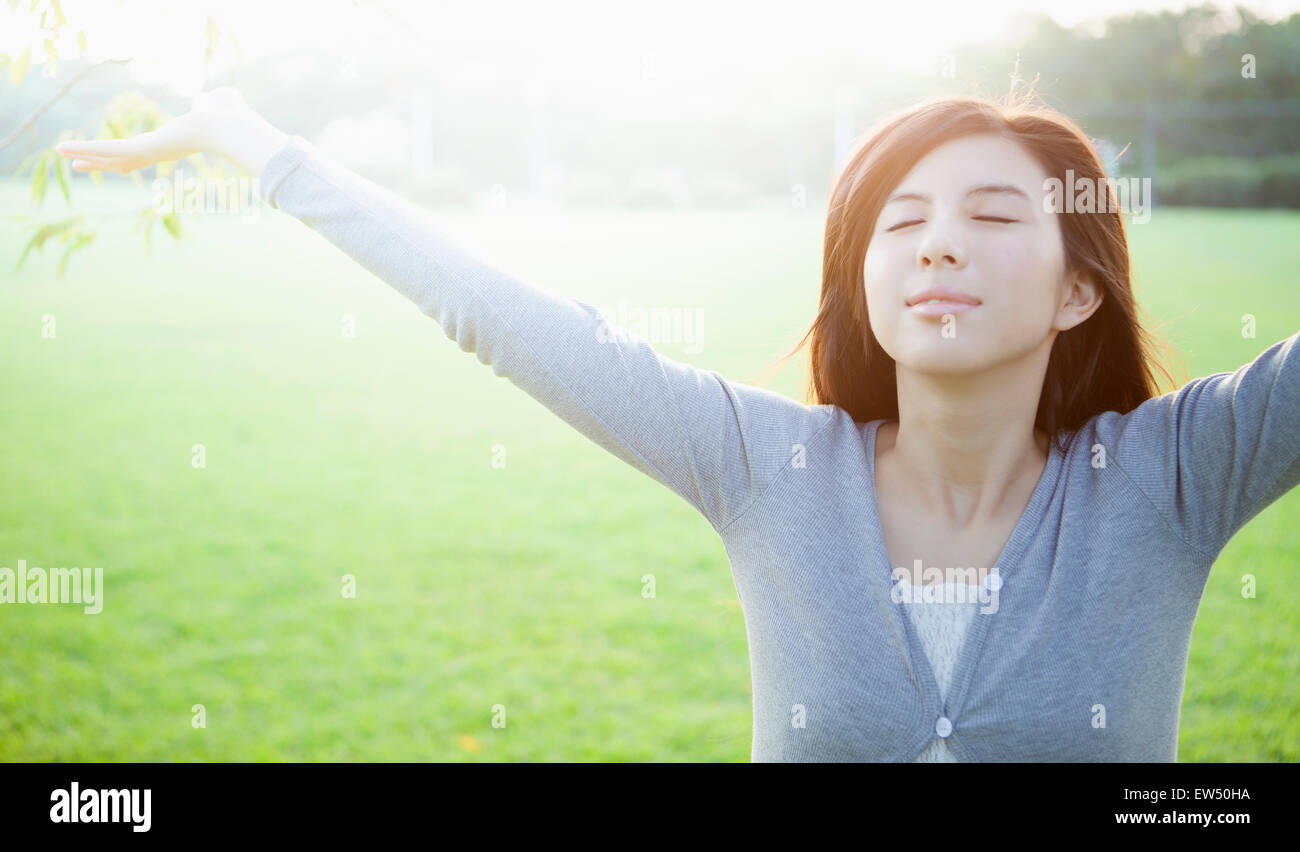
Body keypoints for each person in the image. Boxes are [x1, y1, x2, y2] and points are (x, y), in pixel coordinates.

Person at [57, 89, 1300, 761]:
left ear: (1078, 286)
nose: (935, 240)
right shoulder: (766, 466)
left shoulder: (1170, 478)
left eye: (990, 214)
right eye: (901, 215)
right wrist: (259, 146)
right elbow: (503, 316)